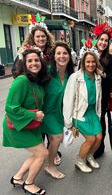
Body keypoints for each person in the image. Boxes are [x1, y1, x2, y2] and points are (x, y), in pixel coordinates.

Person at [2, 48, 50, 195]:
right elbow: (10, 107)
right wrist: (34, 116)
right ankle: (29, 184)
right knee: (42, 154)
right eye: (30, 61)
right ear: (24, 64)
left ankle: (17, 178)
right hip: (19, 125)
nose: (34, 63)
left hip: (31, 126)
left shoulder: (36, 80)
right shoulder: (22, 80)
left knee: (38, 154)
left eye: (36, 60)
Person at [63, 51, 103, 173]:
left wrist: (99, 113)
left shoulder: (97, 77)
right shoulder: (75, 77)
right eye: (88, 62)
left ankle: (89, 156)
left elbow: (99, 98)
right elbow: (68, 99)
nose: (90, 64)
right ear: (83, 63)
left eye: (93, 62)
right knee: (91, 139)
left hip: (92, 112)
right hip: (79, 114)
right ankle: (80, 160)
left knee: (99, 137)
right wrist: (68, 122)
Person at [41, 42, 74, 179]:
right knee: (57, 137)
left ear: (69, 56)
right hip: (46, 112)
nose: (62, 56)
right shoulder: (47, 71)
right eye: (58, 53)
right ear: (54, 57)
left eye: (65, 53)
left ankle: (51, 158)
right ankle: (50, 166)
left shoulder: (70, 75)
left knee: (56, 139)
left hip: (60, 113)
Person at [93, 23, 112, 158]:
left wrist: (101, 73)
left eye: (106, 41)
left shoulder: (109, 58)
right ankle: (92, 144)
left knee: (101, 121)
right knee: (90, 121)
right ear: (97, 40)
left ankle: (100, 147)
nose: (103, 42)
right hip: (89, 93)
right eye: (101, 39)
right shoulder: (88, 52)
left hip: (102, 95)